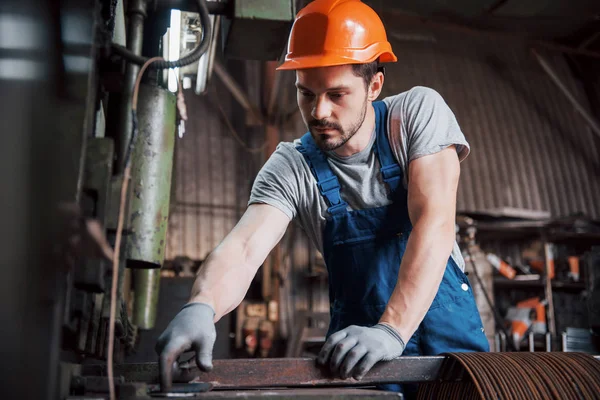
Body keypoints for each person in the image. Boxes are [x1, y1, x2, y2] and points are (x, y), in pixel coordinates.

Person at [155, 0, 489, 392]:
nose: (319, 112)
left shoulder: (415, 116)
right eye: (306, 93)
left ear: (374, 85)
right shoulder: (292, 167)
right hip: (360, 359)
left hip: (447, 353)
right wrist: (202, 304)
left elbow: (434, 223)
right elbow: (244, 249)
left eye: (337, 94)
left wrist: (391, 330)